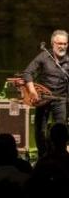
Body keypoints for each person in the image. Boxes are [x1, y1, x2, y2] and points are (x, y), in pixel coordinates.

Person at [22, 29, 69, 157]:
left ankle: (60, 157)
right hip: (42, 98)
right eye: (59, 43)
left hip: (60, 99)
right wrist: (32, 91)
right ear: (52, 43)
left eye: (65, 44)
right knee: (40, 130)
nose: (62, 46)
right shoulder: (43, 56)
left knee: (61, 130)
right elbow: (27, 73)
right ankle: (42, 156)